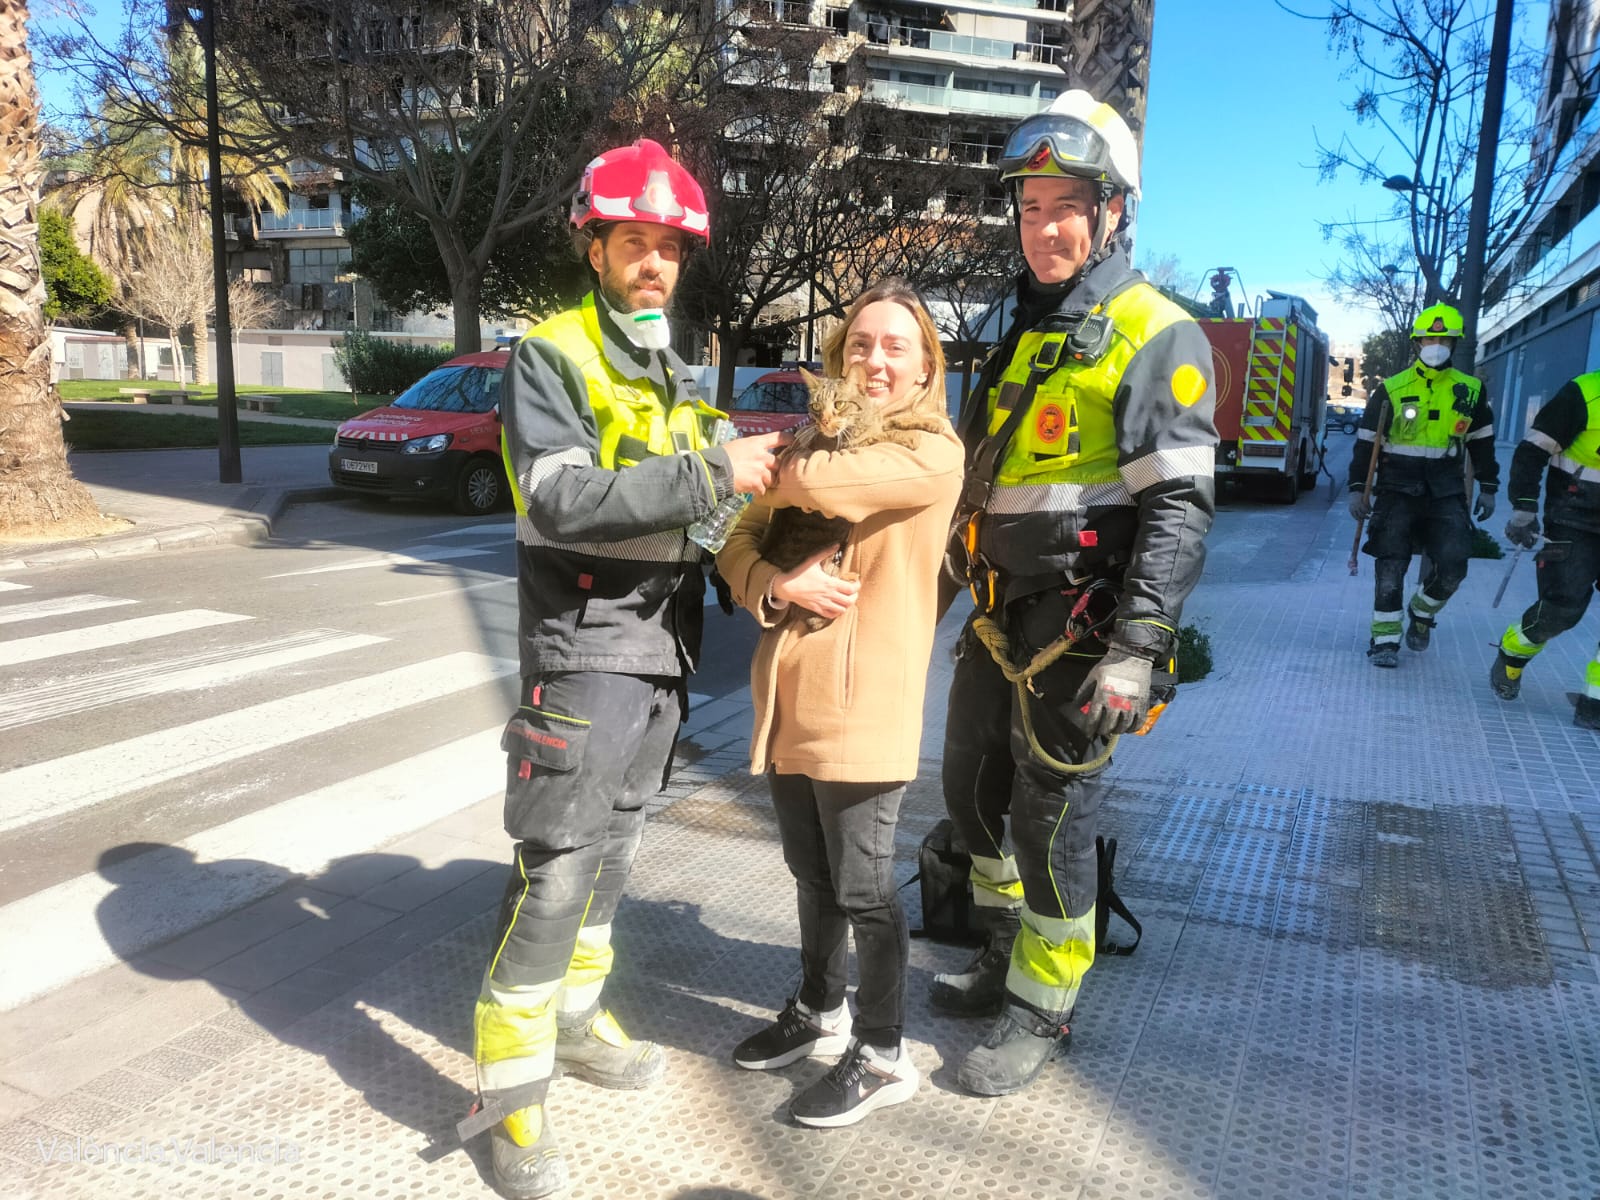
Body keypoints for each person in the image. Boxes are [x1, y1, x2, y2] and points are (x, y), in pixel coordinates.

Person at [465, 139, 790, 1200]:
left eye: (669, 248)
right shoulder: (553, 354)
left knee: (612, 858)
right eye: (634, 243)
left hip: (660, 653)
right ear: (593, 244)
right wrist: (711, 469)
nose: (654, 264)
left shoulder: (671, 366)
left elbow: (712, 508)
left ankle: (572, 1024)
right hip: (586, 648)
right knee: (558, 868)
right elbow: (556, 501)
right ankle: (511, 1103)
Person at [935, 91, 1218, 1097]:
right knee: (970, 788)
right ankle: (1001, 947)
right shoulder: (1026, 328)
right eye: (1028, 206)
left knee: (1050, 815)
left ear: (1109, 213)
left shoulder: (1154, 332)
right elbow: (982, 480)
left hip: (1081, 625)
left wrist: (1137, 647)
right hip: (996, 611)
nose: (1042, 227)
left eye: (1065, 206)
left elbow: (1179, 508)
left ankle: (1041, 1004)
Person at [714, 279, 963, 1126]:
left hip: (867, 704)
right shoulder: (808, 439)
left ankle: (885, 1050)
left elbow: (826, 485)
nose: (875, 360)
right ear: (838, 357)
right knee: (810, 874)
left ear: (927, 362)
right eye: (860, 344)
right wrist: (776, 585)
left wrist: (775, 471)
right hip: (788, 694)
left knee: (864, 889)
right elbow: (735, 540)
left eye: (896, 345)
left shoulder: (933, 451)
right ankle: (820, 1009)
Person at [1347, 303, 1499, 668]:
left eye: (1443, 337)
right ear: (1416, 342)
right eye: (1429, 336)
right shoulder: (1392, 389)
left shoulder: (1471, 391)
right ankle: (1384, 640)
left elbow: (1482, 444)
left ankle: (1422, 612)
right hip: (1397, 488)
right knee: (1390, 564)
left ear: (1455, 342)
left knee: (1454, 564)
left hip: (1446, 490)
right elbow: (1367, 443)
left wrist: (1489, 486)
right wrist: (1356, 487)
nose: (1436, 343)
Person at [1490, 371, 1600, 730]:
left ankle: (1594, 702)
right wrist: (1524, 507)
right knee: (1563, 607)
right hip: (1575, 516)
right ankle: (1513, 652)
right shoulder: (1585, 392)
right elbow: (1531, 451)